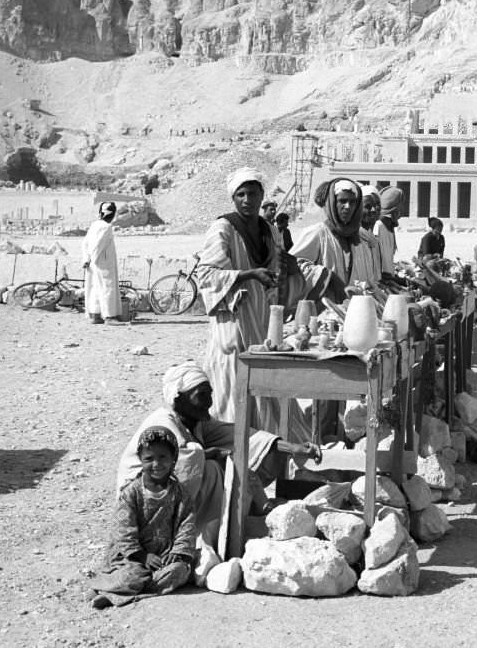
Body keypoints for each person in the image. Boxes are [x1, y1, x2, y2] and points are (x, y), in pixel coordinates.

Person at [117, 362, 318, 550]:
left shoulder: (195, 422)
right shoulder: (162, 424)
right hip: (144, 501)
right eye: (201, 395)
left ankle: (231, 523)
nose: (209, 402)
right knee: (213, 468)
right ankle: (192, 535)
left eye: (210, 394)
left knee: (235, 459)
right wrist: (209, 454)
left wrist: (291, 448)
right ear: (179, 397)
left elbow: (242, 436)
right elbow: (174, 464)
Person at [195, 168, 281, 425]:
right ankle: (233, 452)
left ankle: (264, 449)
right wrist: (248, 274)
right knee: (232, 391)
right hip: (234, 322)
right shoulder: (223, 228)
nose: (247, 200)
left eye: (252, 193)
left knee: (265, 391)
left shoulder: (269, 230)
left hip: (262, 321)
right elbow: (206, 275)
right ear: (233, 198)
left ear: (261, 195)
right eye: (240, 194)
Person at [92, 426, 197, 609]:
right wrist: (142, 555)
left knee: (179, 571)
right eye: (149, 459)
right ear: (140, 460)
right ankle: (105, 587)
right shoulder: (131, 493)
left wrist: (177, 552)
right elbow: (123, 530)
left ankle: (122, 591)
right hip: (131, 558)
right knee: (133, 575)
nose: (156, 464)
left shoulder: (180, 494)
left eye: (163, 457)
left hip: (163, 557)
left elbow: (186, 525)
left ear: (174, 458)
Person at [291, 177, 379, 294]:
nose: (348, 206)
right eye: (342, 201)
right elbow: (292, 267)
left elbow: (368, 279)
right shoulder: (317, 233)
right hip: (322, 309)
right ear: (332, 203)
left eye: (352, 202)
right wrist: (327, 277)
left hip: (354, 308)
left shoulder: (360, 241)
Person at [82, 201, 120, 324]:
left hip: (93, 262)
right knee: (107, 288)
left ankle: (95, 315)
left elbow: (85, 243)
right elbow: (99, 245)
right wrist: (91, 258)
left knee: (95, 288)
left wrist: (86, 259)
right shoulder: (106, 227)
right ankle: (109, 317)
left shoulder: (94, 225)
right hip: (103, 263)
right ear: (112, 214)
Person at [375, 186, 404, 280]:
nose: (402, 209)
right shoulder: (378, 227)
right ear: (394, 208)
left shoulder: (390, 228)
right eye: (401, 205)